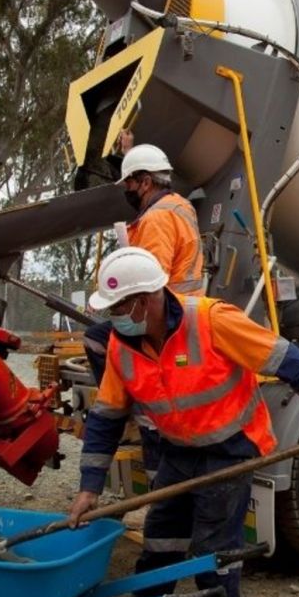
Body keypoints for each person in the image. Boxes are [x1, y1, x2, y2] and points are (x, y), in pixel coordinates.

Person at [68, 247, 299, 597]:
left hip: (231, 448)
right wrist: (89, 488)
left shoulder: (210, 319)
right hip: (178, 450)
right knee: (160, 543)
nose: (113, 317)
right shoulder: (123, 345)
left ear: (145, 301)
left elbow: (287, 359)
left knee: (214, 554)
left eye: (118, 307)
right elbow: (105, 418)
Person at [83, 136, 204, 485]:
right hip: (185, 311)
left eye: (131, 183)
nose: (128, 191)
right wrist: (125, 152)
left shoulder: (155, 220)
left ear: (146, 182)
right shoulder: (179, 206)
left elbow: (145, 284)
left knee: (96, 340)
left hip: (162, 320)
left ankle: (131, 410)